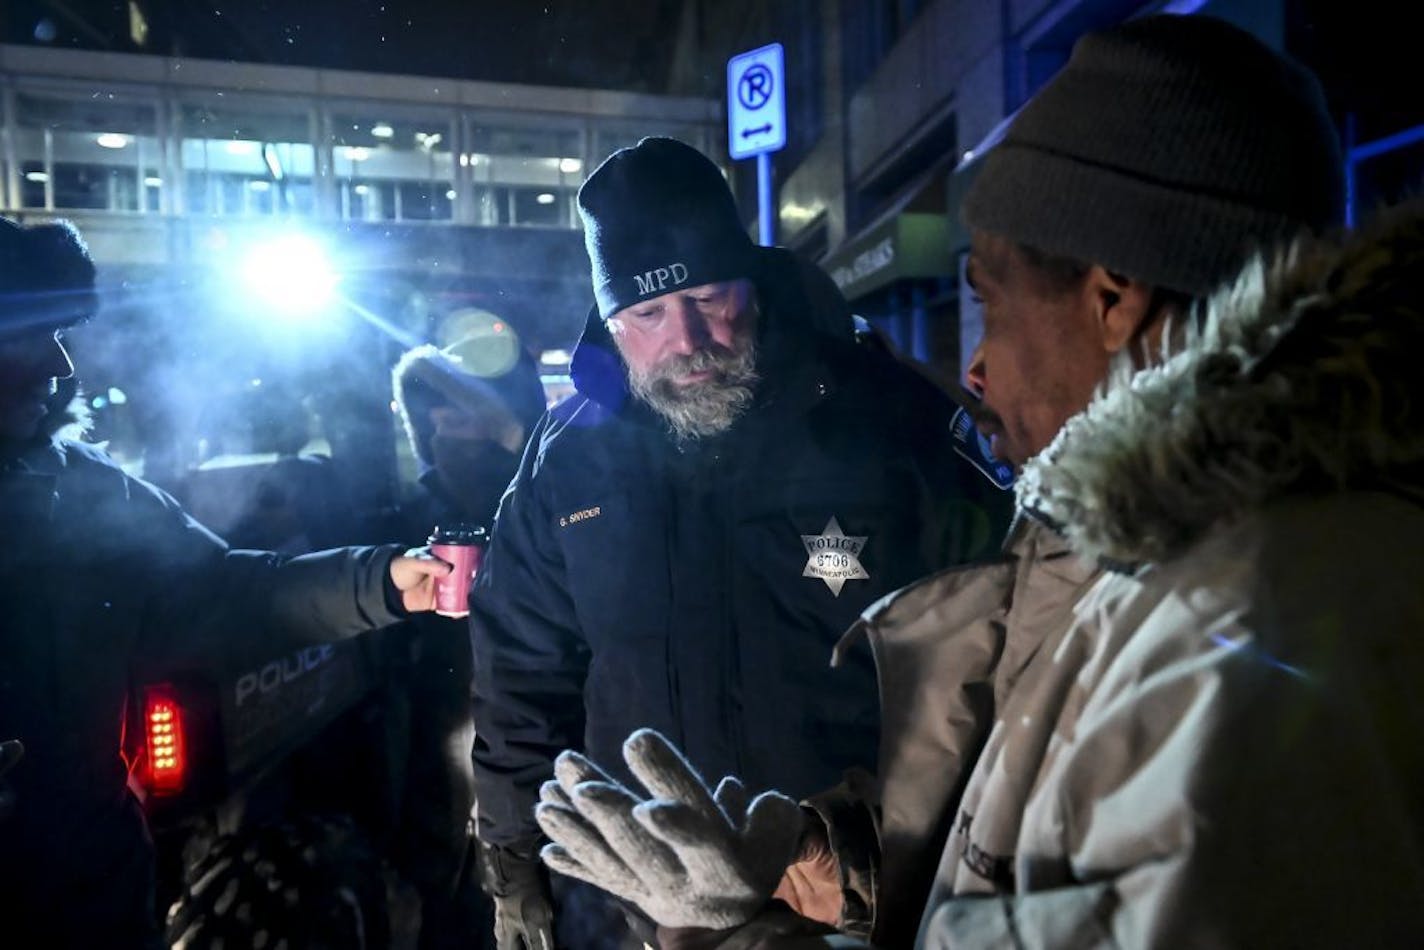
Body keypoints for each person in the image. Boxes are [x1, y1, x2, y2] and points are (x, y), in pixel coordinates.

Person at [529, 14, 1424, 949]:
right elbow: (1035, 843)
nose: (979, 369)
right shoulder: (1155, 554)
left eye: (989, 298)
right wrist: (841, 860)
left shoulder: (1247, 629)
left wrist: (740, 936)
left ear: (1112, 300)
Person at [468, 136, 1012, 948]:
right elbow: (521, 669)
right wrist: (515, 862)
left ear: (751, 283)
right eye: (647, 315)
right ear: (612, 324)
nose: (687, 339)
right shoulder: (568, 459)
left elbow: (991, 645)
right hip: (645, 907)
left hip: (857, 891)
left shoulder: (889, 418)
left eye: (710, 298)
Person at [0, 215, 451, 948]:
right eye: (26, 338)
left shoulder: (82, 492)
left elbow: (229, 594)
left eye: (62, 335)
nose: (62, 366)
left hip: (95, 913)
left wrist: (387, 582)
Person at [380, 334, 548, 949]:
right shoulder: (410, 512)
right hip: (441, 723)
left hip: (532, 721)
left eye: (464, 411)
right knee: (448, 881)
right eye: (437, 417)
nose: (451, 428)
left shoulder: (539, 496)